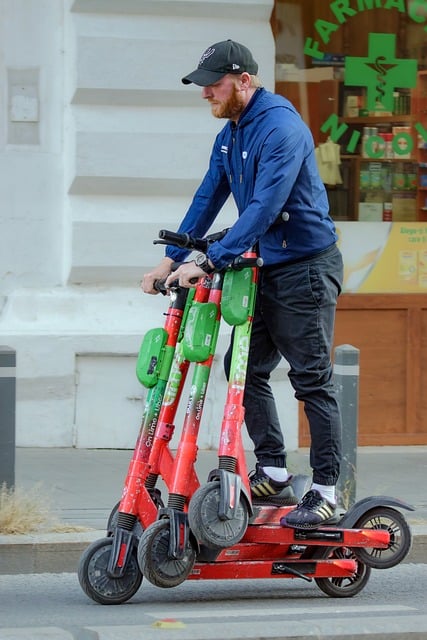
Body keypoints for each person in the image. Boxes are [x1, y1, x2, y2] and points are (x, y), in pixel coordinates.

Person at [142, 39, 344, 529]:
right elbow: (209, 194)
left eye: (215, 85)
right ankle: (273, 471)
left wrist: (211, 261)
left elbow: (264, 208)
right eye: (204, 86)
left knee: (311, 379)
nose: (206, 93)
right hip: (266, 267)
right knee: (243, 367)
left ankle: (326, 490)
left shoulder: (281, 128)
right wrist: (171, 260)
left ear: (244, 81)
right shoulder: (232, 131)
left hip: (306, 270)